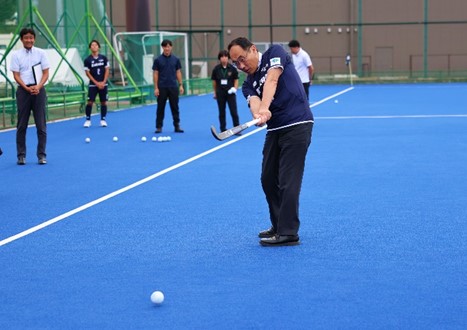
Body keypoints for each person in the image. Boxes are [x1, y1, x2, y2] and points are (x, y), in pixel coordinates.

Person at [228, 37, 314, 246]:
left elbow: (272, 80)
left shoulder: (275, 53)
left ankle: (288, 233)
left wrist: (266, 107)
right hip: (275, 130)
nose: (241, 66)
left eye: (242, 59)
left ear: (253, 50)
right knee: (268, 179)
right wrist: (259, 115)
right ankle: (278, 224)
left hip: (297, 124)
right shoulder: (247, 84)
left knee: (287, 180)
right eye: (236, 64)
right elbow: (255, 103)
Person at [10, 27, 50, 165]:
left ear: (34, 39)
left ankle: (41, 155)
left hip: (39, 91)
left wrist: (38, 87)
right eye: (26, 38)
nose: (29, 40)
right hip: (23, 91)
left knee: (41, 125)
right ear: (21, 39)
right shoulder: (16, 55)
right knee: (22, 125)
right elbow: (16, 75)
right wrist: (26, 88)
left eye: (31, 37)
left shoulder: (41, 53)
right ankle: (21, 156)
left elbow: (45, 73)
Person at [152, 39, 184, 133]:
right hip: (162, 87)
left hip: (173, 87)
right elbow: (155, 74)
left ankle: (177, 126)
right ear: (162, 47)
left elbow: (178, 72)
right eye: (165, 46)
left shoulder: (176, 59)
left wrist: (181, 85)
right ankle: (159, 127)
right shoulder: (158, 60)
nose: (167, 48)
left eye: (169, 46)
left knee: (175, 107)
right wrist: (156, 88)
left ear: (171, 47)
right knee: (160, 107)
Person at [211, 50, 240, 133]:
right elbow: (214, 82)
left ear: (228, 58)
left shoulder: (232, 68)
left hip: (230, 93)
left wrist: (235, 88)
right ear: (219, 58)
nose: (224, 58)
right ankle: (223, 129)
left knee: (234, 111)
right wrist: (215, 92)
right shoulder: (216, 69)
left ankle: (237, 128)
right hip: (220, 93)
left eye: (226, 56)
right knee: (221, 112)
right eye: (222, 57)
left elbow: (236, 79)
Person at [83, 40, 110, 127]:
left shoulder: (104, 58)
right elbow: (87, 73)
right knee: (90, 102)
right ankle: (88, 120)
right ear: (90, 48)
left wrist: (103, 82)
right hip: (93, 85)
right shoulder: (87, 60)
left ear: (98, 47)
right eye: (92, 45)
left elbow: (107, 70)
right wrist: (96, 83)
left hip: (103, 84)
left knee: (104, 102)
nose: (94, 46)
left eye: (95, 45)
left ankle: (103, 119)